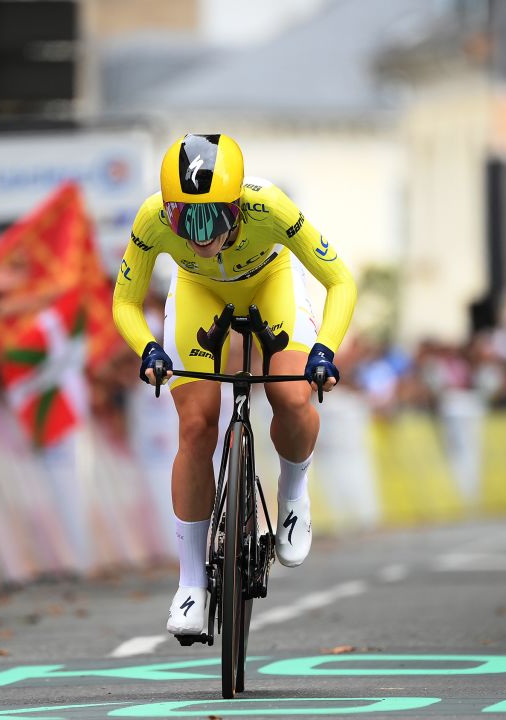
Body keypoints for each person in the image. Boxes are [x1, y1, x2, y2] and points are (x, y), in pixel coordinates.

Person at [112, 134, 356, 636]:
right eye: (187, 220)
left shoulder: (268, 206)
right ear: (169, 211)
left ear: (237, 205)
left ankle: (292, 494)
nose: (200, 236)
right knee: (197, 426)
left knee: (290, 393)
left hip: (271, 283)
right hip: (198, 291)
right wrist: (149, 349)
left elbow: (340, 281)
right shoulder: (151, 218)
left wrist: (325, 348)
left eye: (212, 219)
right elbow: (124, 302)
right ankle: (190, 584)